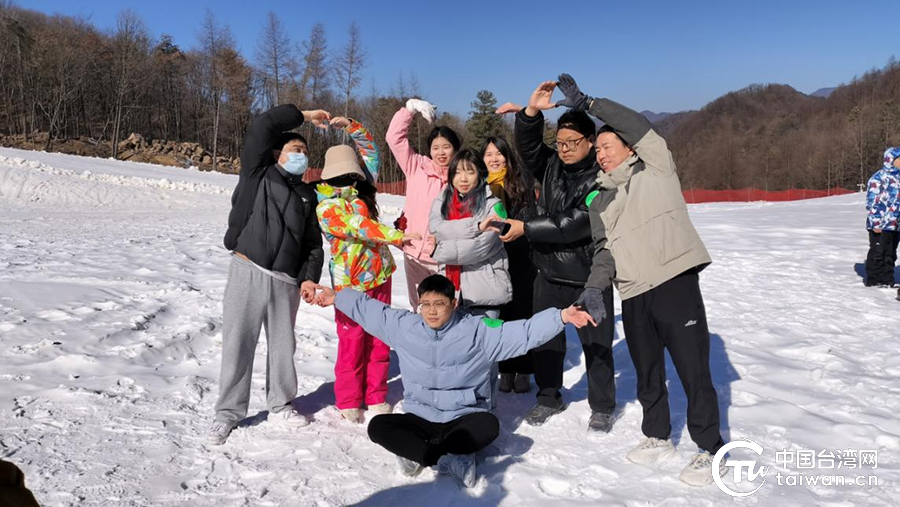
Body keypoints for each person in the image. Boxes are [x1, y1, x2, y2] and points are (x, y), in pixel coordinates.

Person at [555, 73, 726, 486]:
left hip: (673, 282)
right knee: (647, 371)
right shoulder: (600, 198)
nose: (600, 155)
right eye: (597, 151)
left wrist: (589, 104)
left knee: (692, 369)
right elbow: (604, 252)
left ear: (629, 148)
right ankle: (657, 436)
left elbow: (640, 126)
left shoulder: (657, 168)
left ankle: (709, 447)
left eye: (607, 147)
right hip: (633, 292)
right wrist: (594, 288)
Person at [311, 274, 596, 488]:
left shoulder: (478, 331)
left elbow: (524, 332)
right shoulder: (405, 328)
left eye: (440, 304)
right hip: (420, 417)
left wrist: (561, 317)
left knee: (488, 425)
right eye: (426, 304)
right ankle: (447, 456)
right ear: (418, 303)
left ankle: (420, 453)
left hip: (463, 417)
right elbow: (372, 310)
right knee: (378, 425)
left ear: (454, 303)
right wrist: (337, 296)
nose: (432, 311)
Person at [209, 104, 329, 445]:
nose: (302, 156)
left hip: (285, 282)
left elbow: (313, 244)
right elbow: (264, 125)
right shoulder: (257, 173)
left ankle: (281, 404)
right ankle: (227, 413)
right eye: (296, 150)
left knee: (282, 346)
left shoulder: (307, 194)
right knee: (238, 342)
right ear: (276, 153)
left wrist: (308, 276)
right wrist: (304, 116)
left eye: (306, 152)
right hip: (247, 269)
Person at [501, 81, 617, 430]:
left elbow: (576, 223)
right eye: (561, 142)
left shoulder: (603, 178)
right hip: (548, 274)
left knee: (596, 344)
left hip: (587, 278)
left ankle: (602, 405)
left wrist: (527, 228)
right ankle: (548, 396)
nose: (564, 149)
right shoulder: (550, 166)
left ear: (590, 142)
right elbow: (528, 148)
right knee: (546, 341)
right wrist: (531, 113)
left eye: (572, 143)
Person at [314, 117, 421, 424]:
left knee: (378, 338)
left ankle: (375, 396)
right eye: (341, 176)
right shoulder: (326, 207)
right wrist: (397, 236)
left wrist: (352, 126)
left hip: (379, 277)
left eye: (351, 175)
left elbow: (371, 151)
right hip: (349, 286)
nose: (347, 180)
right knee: (352, 342)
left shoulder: (362, 192)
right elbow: (359, 227)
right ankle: (348, 399)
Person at [386, 99, 461, 309]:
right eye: (436, 147)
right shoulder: (416, 166)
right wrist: (409, 110)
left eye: (446, 146)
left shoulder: (462, 177)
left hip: (447, 259)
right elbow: (394, 138)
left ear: (455, 149)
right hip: (415, 253)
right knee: (420, 308)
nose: (441, 152)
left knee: (447, 309)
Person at [481, 136, 537, 394]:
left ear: (507, 155)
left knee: (522, 312)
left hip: (520, 256)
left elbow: (528, 217)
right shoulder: (480, 186)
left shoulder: (520, 181)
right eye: (488, 154)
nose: (494, 159)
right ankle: (505, 369)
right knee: (500, 315)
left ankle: (524, 369)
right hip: (491, 260)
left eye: (499, 153)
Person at [864, 147, 900, 288]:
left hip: (895, 224)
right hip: (880, 224)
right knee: (878, 251)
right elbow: (872, 202)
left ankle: (887, 278)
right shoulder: (878, 178)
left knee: (891, 252)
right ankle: (874, 279)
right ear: (890, 160)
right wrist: (876, 223)